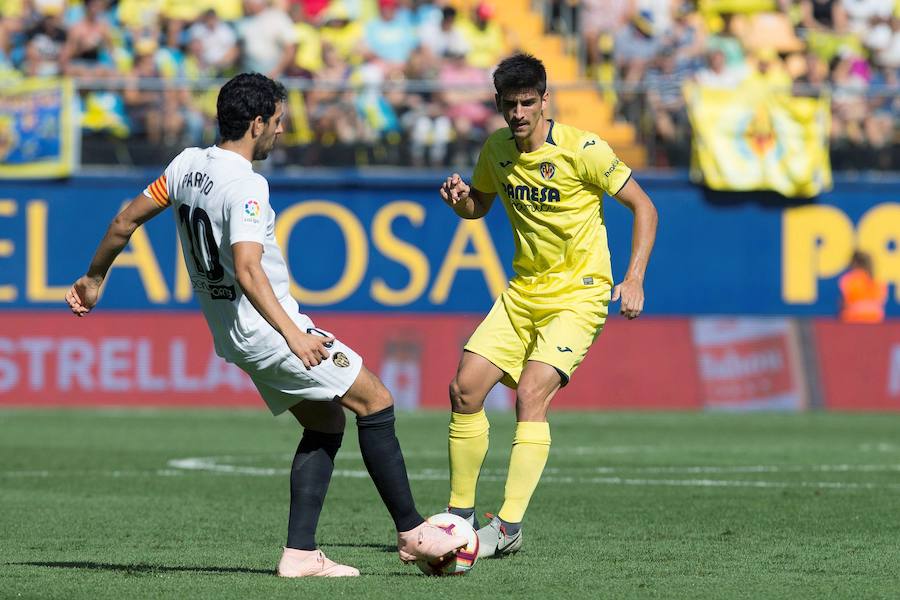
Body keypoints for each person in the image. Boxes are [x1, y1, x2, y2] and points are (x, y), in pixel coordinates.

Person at [66, 73, 466, 578]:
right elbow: (250, 268)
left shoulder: (186, 165)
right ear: (256, 123)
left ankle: (300, 554)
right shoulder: (247, 184)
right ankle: (412, 532)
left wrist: (93, 277)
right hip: (268, 331)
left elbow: (124, 222)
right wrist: (293, 335)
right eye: (277, 122)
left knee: (326, 422)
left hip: (233, 333)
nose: (281, 132)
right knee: (376, 400)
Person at [438, 54, 658, 558]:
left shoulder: (585, 150)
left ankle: (508, 526)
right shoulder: (495, 149)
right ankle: (459, 519)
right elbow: (480, 204)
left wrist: (635, 277)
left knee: (531, 393)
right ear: (497, 104)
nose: (518, 113)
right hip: (523, 292)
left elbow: (644, 206)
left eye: (527, 103)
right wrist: (461, 202)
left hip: (579, 294)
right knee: (464, 388)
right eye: (509, 104)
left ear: (544, 100)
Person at [838, 250, 888, 323]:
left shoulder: (850, 279)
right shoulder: (879, 281)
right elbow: (881, 301)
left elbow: (844, 303)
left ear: (854, 263)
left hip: (853, 319)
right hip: (876, 319)